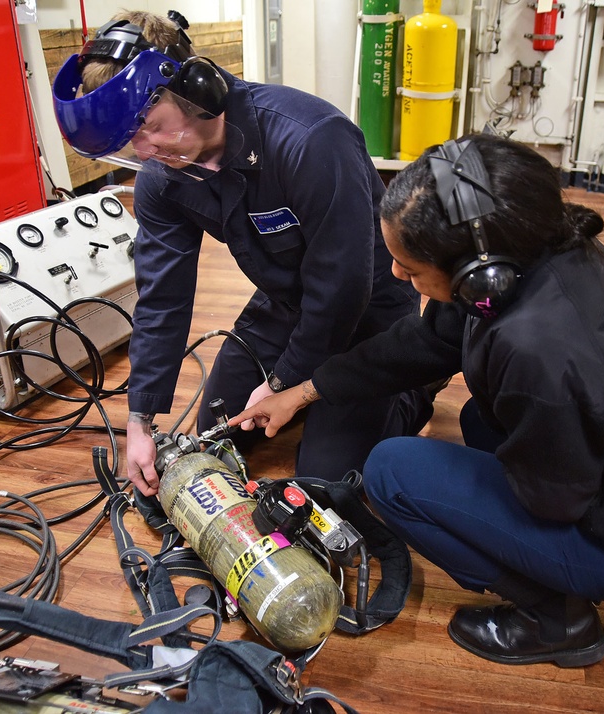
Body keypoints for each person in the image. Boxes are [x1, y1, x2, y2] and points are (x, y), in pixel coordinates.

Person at [229, 133, 604, 667]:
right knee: (480, 417)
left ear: (476, 271)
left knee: (392, 473)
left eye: (409, 267)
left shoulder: (537, 350)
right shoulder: (535, 250)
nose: (398, 277)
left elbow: (555, 501)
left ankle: (558, 619)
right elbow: (428, 342)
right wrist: (303, 391)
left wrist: (501, 473)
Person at [52, 10, 433, 497]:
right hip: (285, 305)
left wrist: (286, 383)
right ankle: (313, 396)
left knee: (326, 477)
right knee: (217, 439)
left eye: (149, 126)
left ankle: (415, 385)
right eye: (131, 141)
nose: (146, 151)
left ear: (196, 87)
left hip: (368, 306)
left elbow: (342, 289)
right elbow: (161, 297)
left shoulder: (311, 139)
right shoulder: (163, 178)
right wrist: (141, 418)